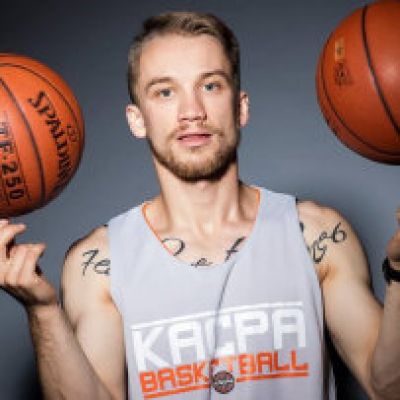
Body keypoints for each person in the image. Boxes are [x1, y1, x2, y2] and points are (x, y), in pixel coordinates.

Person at [0, 11, 399, 400]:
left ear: (240, 107)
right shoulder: (101, 262)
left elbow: (388, 388)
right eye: (165, 92)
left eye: (210, 86)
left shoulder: (317, 235)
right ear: (137, 120)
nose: (192, 112)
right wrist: (43, 312)